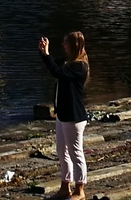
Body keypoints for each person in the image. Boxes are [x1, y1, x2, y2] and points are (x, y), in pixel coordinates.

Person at [39, 32, 89, 198]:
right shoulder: (68, 62)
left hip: (74, 116)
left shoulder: (79, 66)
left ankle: (80, 190)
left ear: (73, 46)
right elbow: (54, 66)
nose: (63, 46)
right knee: (62, 151)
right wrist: (44, 53)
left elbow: (57, 73)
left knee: (76, 153)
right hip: (62, 114)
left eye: (65, 43)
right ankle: (64, 186)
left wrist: (46, 54)